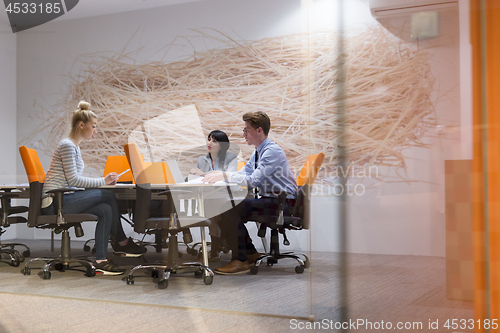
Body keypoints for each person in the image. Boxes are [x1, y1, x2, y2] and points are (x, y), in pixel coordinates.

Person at [41, 101, 146, 275]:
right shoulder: (67, 146)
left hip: (64, 197)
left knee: (105, 209)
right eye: (93, 126)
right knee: (107, 195)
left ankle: (101, 260)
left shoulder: (74, 147)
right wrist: (103, 181)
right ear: (82, 125)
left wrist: (102, 181)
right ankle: (121, 241)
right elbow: (74, 180)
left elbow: (73, 181)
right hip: (54, 202)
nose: (95, 131)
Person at [203, 111, 297, 274]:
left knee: (228, 208)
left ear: (259, 130)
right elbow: (244, 173)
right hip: (273, 201)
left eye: (246, 130)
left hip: (282, 204)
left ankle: (240, 260)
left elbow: (253, 180)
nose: (243, 134)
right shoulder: (259, 151)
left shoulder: (271, 151)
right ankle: (250, 253)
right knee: (228, 207)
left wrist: (224, 175)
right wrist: (222, 177)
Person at [189, 130, 237, 261]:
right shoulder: (202, 159)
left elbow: (230, 176)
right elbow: (193, 178)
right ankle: (219, 242)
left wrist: (204, 174)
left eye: (214, 141)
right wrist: (197, 174)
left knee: (214, 209)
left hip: (225, 195)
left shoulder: (231, 158)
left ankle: (216, 245)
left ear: (222, 145)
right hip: (206, 196)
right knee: (212, 208)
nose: (209, 143)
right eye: (209, 139)